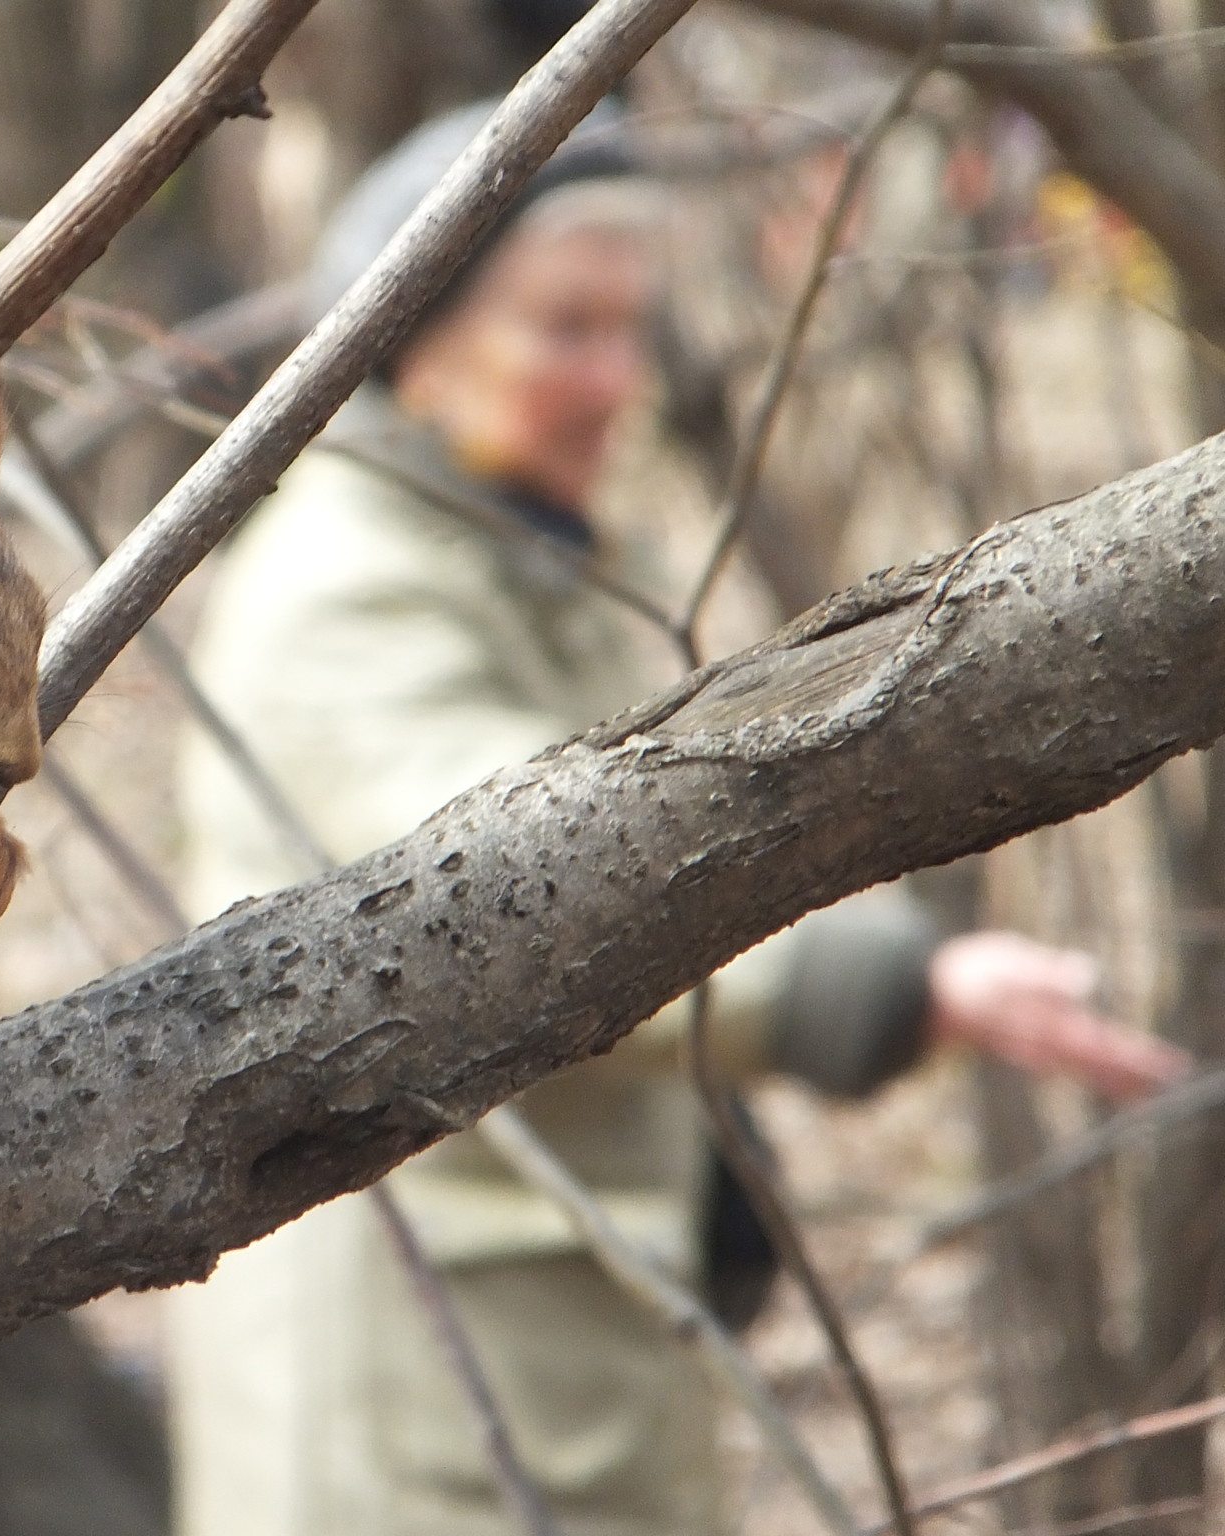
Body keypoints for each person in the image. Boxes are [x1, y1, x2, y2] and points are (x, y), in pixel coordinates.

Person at [168, 100, 1188, 1536]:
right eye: (566, 329)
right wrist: (884, 985)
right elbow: (512, 900)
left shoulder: (540, 550)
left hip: (563, 1345)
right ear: (414, 330)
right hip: (413, 1394)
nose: (615, 382)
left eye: (630, 331)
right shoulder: (346, 585)